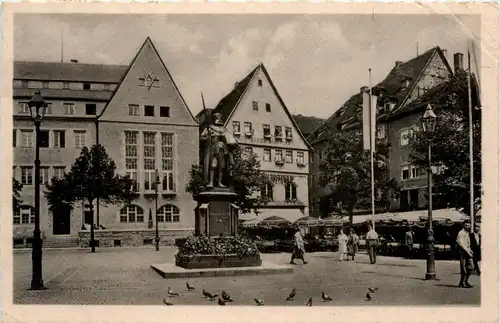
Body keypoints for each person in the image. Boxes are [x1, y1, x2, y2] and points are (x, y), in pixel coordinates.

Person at [456, 221, 474, 288]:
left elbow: (467, 244)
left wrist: (470, 250)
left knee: (471, 267)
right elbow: (462, 245)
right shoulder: (461, 233)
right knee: (464, 269)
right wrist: (468, 252)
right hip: (463, 252)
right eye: (466, 225)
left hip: (467, 252)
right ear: (463, 225)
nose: (467, 227)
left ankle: (465, 281)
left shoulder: (467, 233)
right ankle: (462, 283)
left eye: (468, 225)